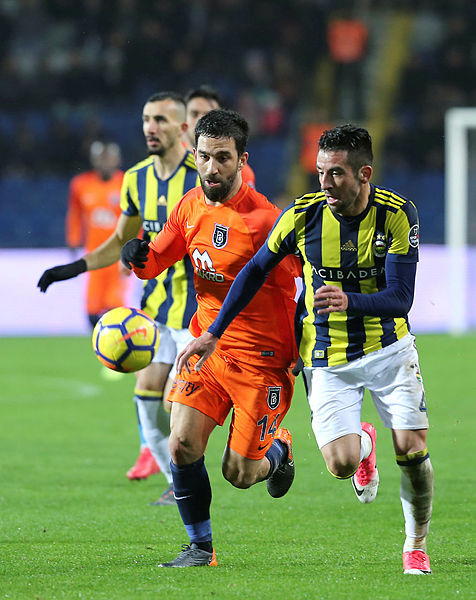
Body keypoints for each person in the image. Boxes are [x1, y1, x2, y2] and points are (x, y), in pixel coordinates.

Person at [178, 125, 434, 575]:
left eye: (336, 174)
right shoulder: (303, 215)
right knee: (340, 464)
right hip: (327, 357)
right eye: (320, 172)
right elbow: (255, 271)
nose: (325, 183)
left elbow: (402, 298)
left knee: (412, 452)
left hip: (389, 351)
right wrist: (214, 331)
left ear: (364, 174)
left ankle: (415, 543)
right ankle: (363, 444)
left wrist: (350, 300)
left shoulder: (397, 214)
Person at [120, 109, 299, 567]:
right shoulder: (189, 206)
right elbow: (154, 262)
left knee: (239, 473)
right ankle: (201, 548)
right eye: (204, 156)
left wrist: (302, 348)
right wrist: (135, 254)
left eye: (223, 158)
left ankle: (279, 450)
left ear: (242, 160)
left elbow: (299, 289)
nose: (211, 168)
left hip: (261, 361)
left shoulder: (265, 221)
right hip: (208, 351)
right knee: (181, 444)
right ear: (194, 154)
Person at [38, 91, 200, 505]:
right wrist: (74, 268)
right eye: (146, 119)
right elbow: (120, 240)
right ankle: (179, 484)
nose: (151, 127)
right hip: (157, 312)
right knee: (146, 397)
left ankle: (264, 448)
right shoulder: (136, 178)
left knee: (174, 403)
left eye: (161, 119)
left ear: (183, 127)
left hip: (200, 314)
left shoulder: (201, 175)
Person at [65, 140, 127, 328]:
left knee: (115, 306)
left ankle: (117, 341)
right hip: (94, 255)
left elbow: (137, 217)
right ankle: (98, 340)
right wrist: (73, 240)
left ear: (117, 159)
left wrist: (136, 245)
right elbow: (75, 214)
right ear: (94, 160)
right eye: (101, 158)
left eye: (109, 157)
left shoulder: (126, 182)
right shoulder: (81, 184)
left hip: (118, 255)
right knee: (92, 309)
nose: (105, 162)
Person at [184, 85, 256, 188]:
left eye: (207, 115)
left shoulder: (240, 171)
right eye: (194, 114)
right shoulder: (167, 160)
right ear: (183, 119)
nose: (200, 120)